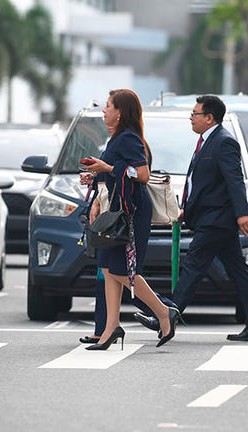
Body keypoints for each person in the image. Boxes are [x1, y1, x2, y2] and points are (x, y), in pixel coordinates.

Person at [135, 95, 248, 341]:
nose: (191, 118)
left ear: (209, 117)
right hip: (211, 217)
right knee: (238, 270)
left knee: (194, 265)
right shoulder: (207, 141)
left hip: (217, 219)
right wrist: (188, 209)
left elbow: (234, 180)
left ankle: (168, 316)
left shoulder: (224, 142)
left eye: (195, 114)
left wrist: (242, 214)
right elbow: (203, 183)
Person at [80, 89, 180, 350]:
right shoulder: (114, 139)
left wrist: (108, 168)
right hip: (116, 209)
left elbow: (143, 174)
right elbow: (117, 173)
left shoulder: (128, 138)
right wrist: (95, 176)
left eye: (108, 106)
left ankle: (162, 311)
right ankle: (111, 328)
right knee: (107, 267)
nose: (104, 110)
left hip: (131, 210)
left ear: (120, 112)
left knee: (123, 270)